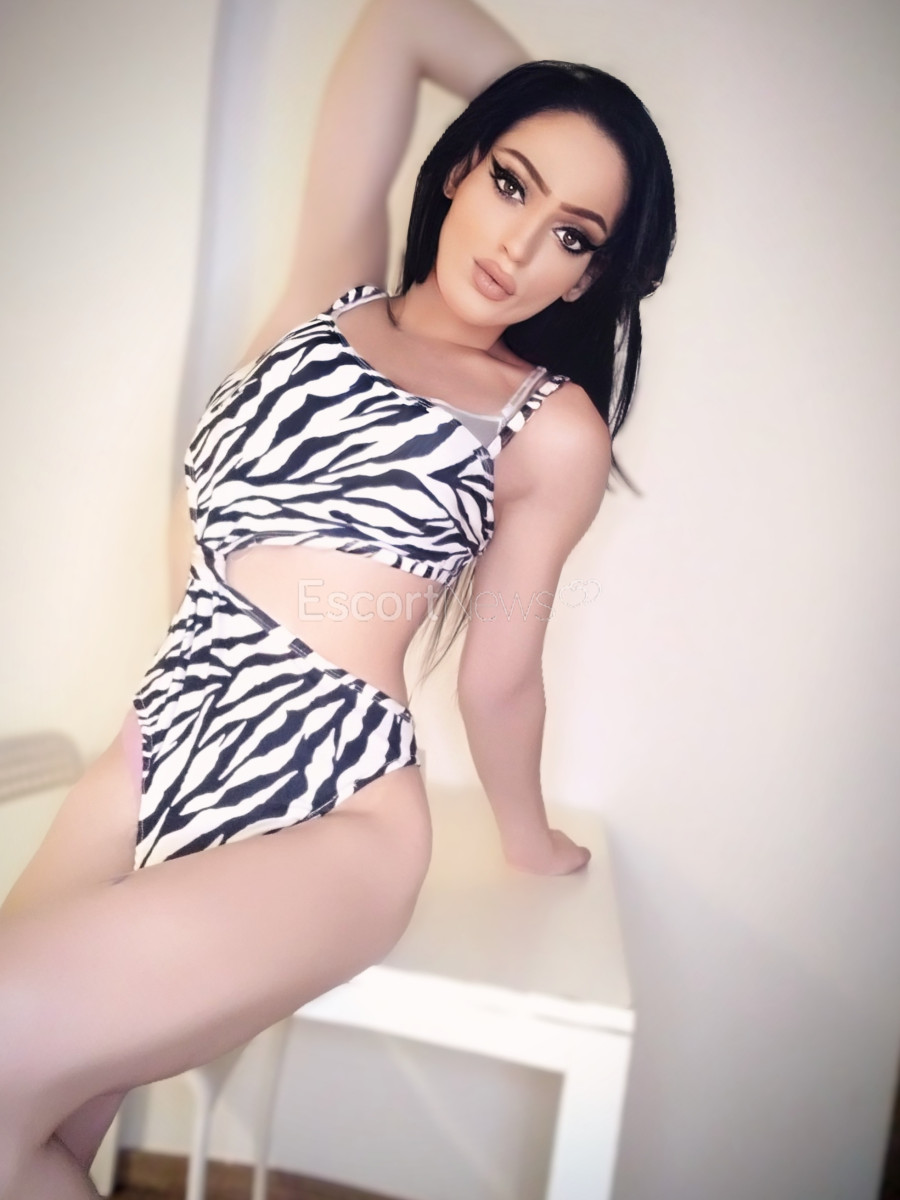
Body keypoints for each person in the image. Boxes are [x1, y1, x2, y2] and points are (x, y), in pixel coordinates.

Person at [0, 0, 675, 1194]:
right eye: (512, 183)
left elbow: (500, 676)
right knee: (28, 1134)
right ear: (459, 165)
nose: (520, 245)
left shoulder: (547, 426)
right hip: (156, 746)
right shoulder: (329, 297)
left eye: (574, 236)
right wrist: (572, 101)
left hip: (333, 808)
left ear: (593, 276)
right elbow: (403, 21)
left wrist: (527, 839)